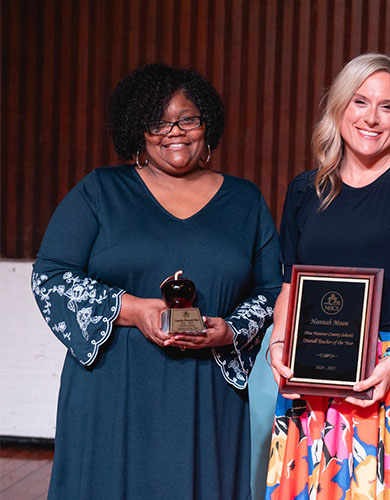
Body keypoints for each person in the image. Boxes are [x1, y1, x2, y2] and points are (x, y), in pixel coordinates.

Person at [31, 63, 282, 500]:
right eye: (158, 122)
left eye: (188, 119)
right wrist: (134, 309)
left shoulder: (245, 200)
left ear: (207, 125)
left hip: (207, 393)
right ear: (137, 131)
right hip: (113, 388)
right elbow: (50, 277)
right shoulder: (100, 191)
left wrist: (232, 330)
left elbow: (271, 290)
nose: (175, 132)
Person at [265, 53, 390, 500]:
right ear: (338, 108)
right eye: (360, 102)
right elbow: (289, 287)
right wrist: (278, 345)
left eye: (386, 107)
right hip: (311, 375)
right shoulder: (304, 190)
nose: (371, 118)